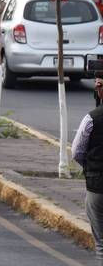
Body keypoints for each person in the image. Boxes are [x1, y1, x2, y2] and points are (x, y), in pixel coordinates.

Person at [72, 94, 103, 265]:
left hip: (97, 184)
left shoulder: (92, 118)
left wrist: (90, 168)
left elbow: (77, 151)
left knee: (101, 244)